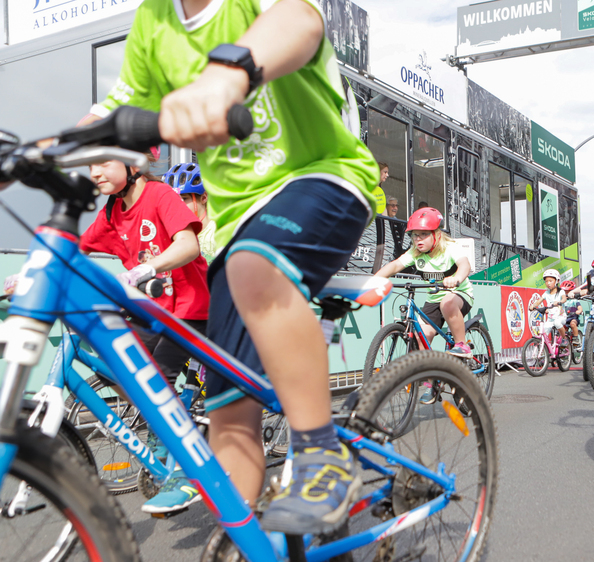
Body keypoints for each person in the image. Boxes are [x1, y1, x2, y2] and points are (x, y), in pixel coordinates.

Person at [86, 0, 382, 533]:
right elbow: (112, 110)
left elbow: (300, 21)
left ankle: (321, 455)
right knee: (227, 410)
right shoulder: (154, 22)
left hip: (323, 176)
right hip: (238, 224)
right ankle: (246, 544)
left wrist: (229, 73)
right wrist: (44, 147)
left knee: (251, 266)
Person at [84, 154, 211, 514]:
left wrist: (144, 268)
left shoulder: (159, 195)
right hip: (151, 310)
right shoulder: (112, 212)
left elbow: (188, 246)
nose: (94, 171)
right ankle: (162, 435)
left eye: (104, 160)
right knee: (118, 367)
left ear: (133, 163)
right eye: (89, 163)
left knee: (161, 380)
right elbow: (75, 249)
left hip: (189, 308)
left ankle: (184, 471)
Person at [375, 207, 474, 357]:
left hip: (459, 294)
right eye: (414, 235)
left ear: (437, 234)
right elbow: (395, 265)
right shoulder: (415, 252)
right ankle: (427, 381)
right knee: (421, 340)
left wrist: (456, 278)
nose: (418, 239)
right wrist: (375, 280)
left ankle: (462, 345)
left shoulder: (450, 248)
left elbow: (464, 265)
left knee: (447, 302)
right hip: (433, 300)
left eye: (424, 234)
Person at [163, 162, 217, 262]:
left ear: (204, 197)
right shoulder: (171, 234)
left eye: (184, 199)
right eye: (173, 200)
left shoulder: (217, 233)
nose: (177, 205)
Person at [531, 269, 568, 347]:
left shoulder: (561, 291)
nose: (548, 283)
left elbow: (564, 298)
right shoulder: (546, 293)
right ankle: (544, 352)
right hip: (550, 318)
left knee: (557, 323)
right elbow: (538, 301)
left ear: (557, 281)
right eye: (546, 281)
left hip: (560, 316)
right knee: (544, 331)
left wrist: (559, 302)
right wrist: (533, 306)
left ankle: (564, 338)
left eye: (550, 281)